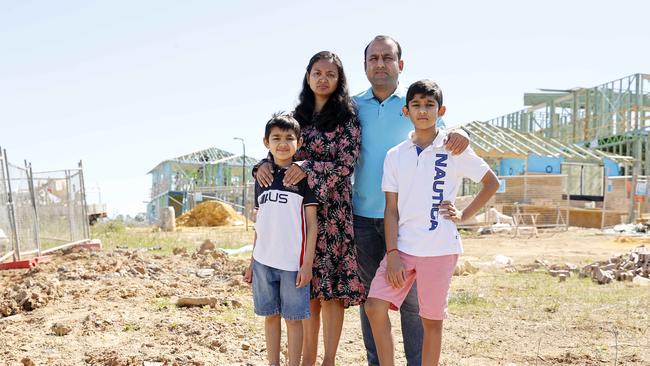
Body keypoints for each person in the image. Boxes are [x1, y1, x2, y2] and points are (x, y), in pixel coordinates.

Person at [353, 35, 470, 365]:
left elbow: (446, 136)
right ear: (364, 66)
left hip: (408, 223)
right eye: (373, 58)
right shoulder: (352, 106)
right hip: (363, 216)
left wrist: (464, 132)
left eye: (387, 57)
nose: (380, 63)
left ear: (400, 64)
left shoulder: (414, 102)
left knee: (414, 304)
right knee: (373, 298)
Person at [364, 80, 499, 365]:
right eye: (416, 105)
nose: (423, 111)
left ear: (441, 110)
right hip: (403, 249)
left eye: (429, 105)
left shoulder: (453, 148)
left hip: (439, 249)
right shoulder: (395, 155)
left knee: (431, 320)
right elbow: (391, 210)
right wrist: (392, 254)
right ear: (406, 111)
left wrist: (463, 216)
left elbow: (490, 183)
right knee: (375, 306)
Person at [254, 51, 365, 366]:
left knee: (331, 292)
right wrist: (260, 165)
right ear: (307, 76)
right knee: (307, 288)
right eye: (317, 72)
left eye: (331, 74)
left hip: (333, 213)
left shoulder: (348, 117)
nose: (323, 79)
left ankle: (328, 360)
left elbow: (347, 164)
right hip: (297, 214)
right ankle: (307, 360)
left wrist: (307, 165)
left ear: (339, 80)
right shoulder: (296, 114)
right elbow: (279, 147)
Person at [244, 114, 319, 366]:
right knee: (271, 316)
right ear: (266, 142)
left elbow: (312, 224)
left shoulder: (302, 178)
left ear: (298, 142)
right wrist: (252, 261)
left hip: (293, 264)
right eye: (276, 138)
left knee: (293, 319)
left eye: (289, 138)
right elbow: (260, 223)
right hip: (264, 261)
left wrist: (307, 264)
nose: (283, 143)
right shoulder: (262, 177)